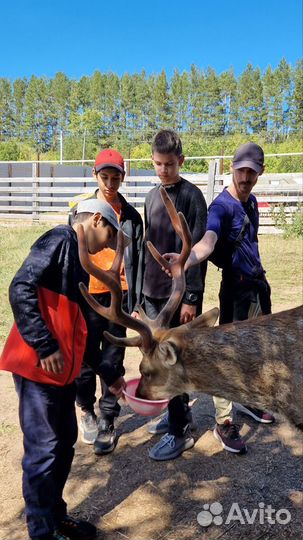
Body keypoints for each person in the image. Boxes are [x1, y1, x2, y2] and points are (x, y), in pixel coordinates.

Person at [0, 198, 127, 540]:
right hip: (38, 369)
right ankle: (41, 532)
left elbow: (79, 332)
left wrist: (109, 374)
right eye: (110, 237)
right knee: (44, 450)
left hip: (62, 374)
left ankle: (55, 518)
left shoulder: (79, 259)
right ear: (97, 221)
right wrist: (45, 344)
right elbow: (20, 287)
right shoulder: (59, 240)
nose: (109, 246)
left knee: (64, 443)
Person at [163, 142, 275, 455]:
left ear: (260, 172)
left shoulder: (250, 202)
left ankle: (250, 402)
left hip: (255, 289)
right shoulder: (221, 207)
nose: (246, 177)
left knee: (257, 351)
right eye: (241, 170)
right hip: (235, 291)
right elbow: (208, 241)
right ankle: (224, 421)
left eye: (252, 172)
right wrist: (185, 261)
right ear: (232, 168)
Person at [136, 129, 207, 461]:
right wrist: (138, 297)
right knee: (159, 359)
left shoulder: (192, 197)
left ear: (181, 160)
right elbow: (145, 245)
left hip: (179, 298)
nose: (163, 170)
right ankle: (176, 414)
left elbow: (196, 251)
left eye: (169, 164)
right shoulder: (151, 196)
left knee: (175, 361)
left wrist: (192, 296)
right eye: (158, 164)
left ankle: (181, 432)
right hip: (152, 294)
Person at [69, 149, 143, 455]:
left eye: (116, 177)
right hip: (87, 295)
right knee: (86, 358)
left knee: (113, 358)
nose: (111, 183)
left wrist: (135, 299)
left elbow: (138, 259)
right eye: (105, 177)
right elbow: (73, 251)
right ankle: (86, 409)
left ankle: (108, 420)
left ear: (124, 177)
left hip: (119, 296)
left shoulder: (132, 217)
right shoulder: (82, 210)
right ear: (94, 176)